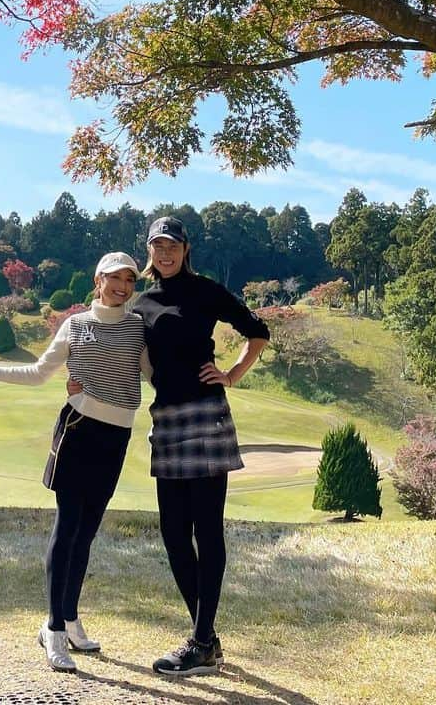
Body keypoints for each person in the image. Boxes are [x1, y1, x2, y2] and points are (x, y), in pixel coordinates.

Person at [0, 251, 149, 673]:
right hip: (77, 430)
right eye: (115, 278)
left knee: (87, 533)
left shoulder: (138, 328)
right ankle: (52, 628)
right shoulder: (76, 325)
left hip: (116, 436)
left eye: (130, 279)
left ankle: (70, 618)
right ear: (98, 279)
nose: (123, 286)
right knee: (68, 527)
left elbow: (154, 373)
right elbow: (38, 373)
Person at [135, 215, 269, 677]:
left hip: (207, 417)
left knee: (206, 530)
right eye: (157, 246)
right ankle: (207, 638)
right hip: (167, 419)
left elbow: (258, 332)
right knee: (174, 535)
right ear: (149, 250)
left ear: (185, 249)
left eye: (172, 245)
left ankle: (199, 639)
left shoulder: (207, 291)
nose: (165, 253)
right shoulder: (142, 302)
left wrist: (231, 374)